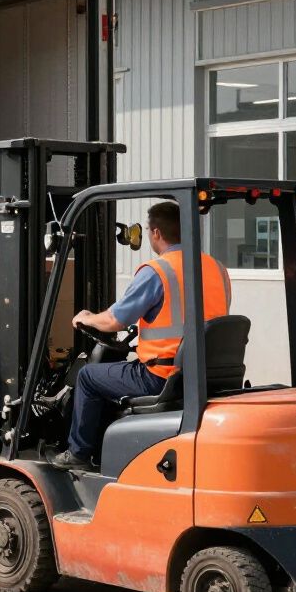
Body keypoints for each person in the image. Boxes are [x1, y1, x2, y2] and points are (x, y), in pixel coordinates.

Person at [47, 201, 231, 472]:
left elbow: (114, 320)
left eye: (147, 230)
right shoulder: (216, 268)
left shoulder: (158, 271)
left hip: (163, 376)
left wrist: (86, 318)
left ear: (156, 233)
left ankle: (78, 453)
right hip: (206, 375)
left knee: (88, 377)